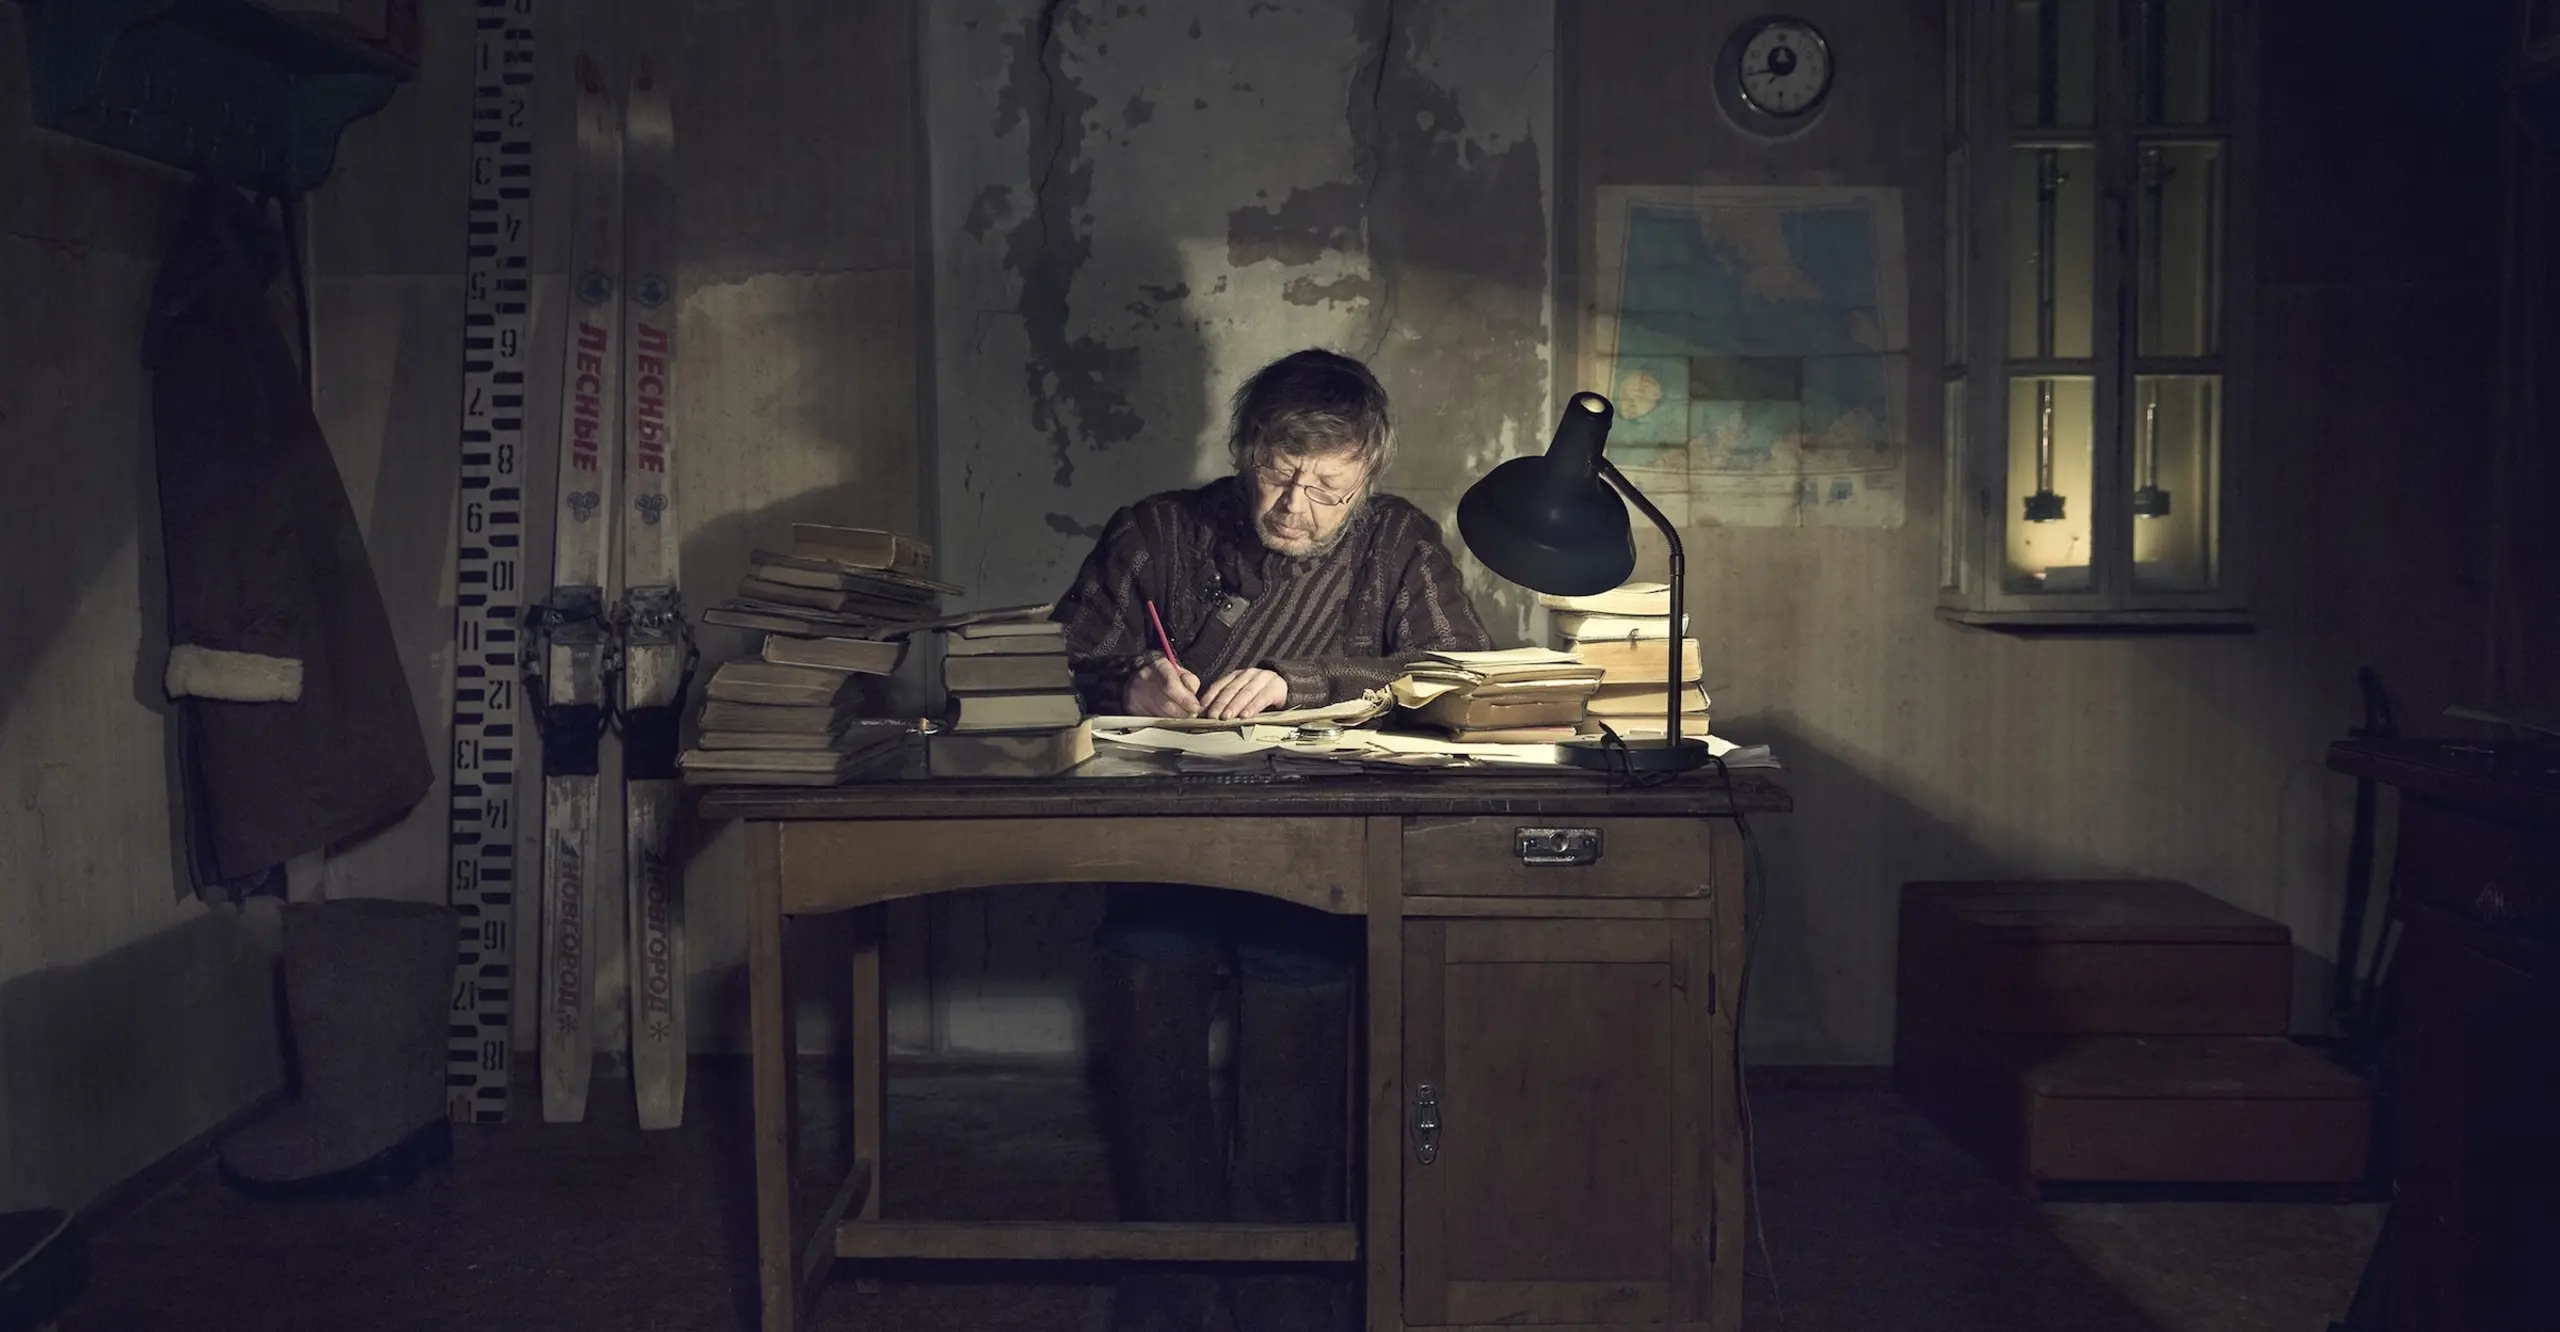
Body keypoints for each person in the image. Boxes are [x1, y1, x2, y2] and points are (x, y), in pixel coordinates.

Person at [1052, 348, 1493, 1332]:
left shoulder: (1400, 545)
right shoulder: (1157, 529)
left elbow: (1462, 671)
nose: (1296, 508)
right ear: (1243, 451)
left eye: (1329, 490)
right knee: (1146, 1000)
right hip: (1162, 842)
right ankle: (1170, 1276)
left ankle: (1288, 1281)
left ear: (1369, 471)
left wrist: (1307, 681)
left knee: (1299, 1023)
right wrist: (1126, 682)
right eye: (1275, 477)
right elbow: (1055, 654)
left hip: (1315, 851)